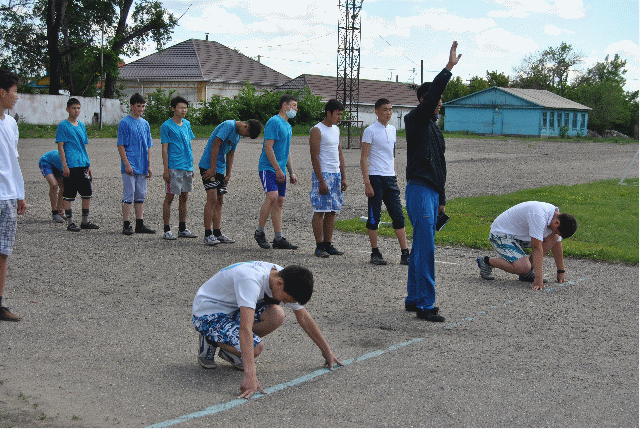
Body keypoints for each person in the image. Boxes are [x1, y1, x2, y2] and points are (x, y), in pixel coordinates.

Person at [192, 261, 342, 399]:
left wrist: (327, 351)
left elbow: (304, 318)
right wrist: (250, 376)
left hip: (232, 308)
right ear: (279, 283)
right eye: (287, 299)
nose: (285, 302)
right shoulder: (251, 280)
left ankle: (230, 348)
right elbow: (245, 328)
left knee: (276, 315)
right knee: (255, 347)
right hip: (208, 313)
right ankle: (211, 339)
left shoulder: (284, 276)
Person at [403, 41, 461, 323]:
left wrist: (442, 200)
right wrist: (448, 68)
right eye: (436, 101)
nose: (440, 104)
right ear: (425, 101)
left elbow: (441, 166)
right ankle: (426, 305)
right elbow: (433, 94)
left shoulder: (435, 131)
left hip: (432, 193)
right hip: (418, 189)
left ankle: (414, 298)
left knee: (420, 247)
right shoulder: (415, 119)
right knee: (426, 249)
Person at [476, 201, 577, 290]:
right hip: (500, 235)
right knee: (523, 267)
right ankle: (487, 261)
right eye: (558, 231)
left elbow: (557, 245)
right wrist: (538, 278)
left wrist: (561, 271)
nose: (556, 233)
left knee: (553, 238)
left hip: (518, 237)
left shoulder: (554, 216)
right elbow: (537, 248)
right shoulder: (539, 215)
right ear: (557, 222)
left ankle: (527, 273)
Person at [360, 98, 409, 266]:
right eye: (385, 110)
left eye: (390, 109)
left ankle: (405, 253)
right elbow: (363, 158)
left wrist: (395, 176)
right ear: (376, 111)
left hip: (390, 178)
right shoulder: (370, 131)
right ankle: (375, 252)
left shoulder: (393, 130)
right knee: (374, 217)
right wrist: (367, 182)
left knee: (398, 216)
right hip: (375, 177)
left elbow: (391, 155)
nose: (388, 113)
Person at [199, 119, 263, 246]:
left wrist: (228, 173)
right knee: (211, 198)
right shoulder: (229, 125)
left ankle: (217, 232)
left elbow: (230, 154)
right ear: (245, 126)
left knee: (219, 199)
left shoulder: (238, 135)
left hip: (220, 168)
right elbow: (215, 144)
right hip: (208, 165)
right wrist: (212, 168)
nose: (244, 137)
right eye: (246, 135)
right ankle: (207, 234)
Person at [254, 94, 299, 250]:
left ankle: (278, 238)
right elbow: (268, 147)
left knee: (280, 201)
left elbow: (287, 151)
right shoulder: (274, 122)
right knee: (272, 197)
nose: (296, 109)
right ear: (284, 105)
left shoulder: (288, 126)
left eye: (296, 106)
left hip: (281, 170)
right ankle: (259, 232)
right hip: (268, 167)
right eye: (294, 105)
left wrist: (291, 172)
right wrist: (278, 169)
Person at [0, 70, 27, 321]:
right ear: (2, 93)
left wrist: (20, 195)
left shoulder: (11, 124)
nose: (16, 96)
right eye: (14, 91)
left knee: (3, 251)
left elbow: (14, 161)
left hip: (8, 196)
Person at [309, 99, 347, 258]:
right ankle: (319, 245)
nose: (340, 117)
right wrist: (321, 180)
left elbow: (339, 153)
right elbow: (314, 157)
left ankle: (328, 243)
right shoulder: (317, 130)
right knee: (320, 210)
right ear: (328, 113)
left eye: (341, 114)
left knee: (332, 211)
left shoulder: (336, 130)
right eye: (338, 114)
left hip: (335, 174)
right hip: (323, 174)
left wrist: (343, 176)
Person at [56, 98, 99, 232]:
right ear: (68, 109)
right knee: (69, 193)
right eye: (74, 108)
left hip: (82, 163)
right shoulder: (63, 125)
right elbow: (61, 146)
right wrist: (64, 165)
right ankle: (70, 222)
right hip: (71, 164)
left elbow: (83, 146)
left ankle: (85, 221)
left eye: (78, 108)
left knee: (87, 192)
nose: (76, 111)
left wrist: (88, 164)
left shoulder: (81, 125)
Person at [117, 93, 155, 235]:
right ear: (132, 106)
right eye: (138, 106)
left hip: (142, 165)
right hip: (130, 165)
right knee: (129, 194)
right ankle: (126, 224)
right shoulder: (125, 123)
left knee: (140, 195)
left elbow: (148, 146)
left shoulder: (145, 124)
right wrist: (126, 164)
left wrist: (149, 165)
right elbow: (121, 145)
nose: (141, 109)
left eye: (143, 106)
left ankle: (140, 223)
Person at [161, 96, 196, 240]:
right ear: (173, 108)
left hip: (187, 166)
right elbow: (164, 149)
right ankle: (167, 229)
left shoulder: (187, 124)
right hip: (174, 166)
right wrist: (165, 169)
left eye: (185, 108)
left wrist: (192, 166)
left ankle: (182, 228)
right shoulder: (167, 126)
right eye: (181, 107)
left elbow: (189, 144)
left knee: (184, 197)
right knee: (170, 197)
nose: (184, 110)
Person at [38, 150, 65, 223]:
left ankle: (60, 211)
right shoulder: (65, 161)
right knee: (54, 185)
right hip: (46, 162)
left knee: (64, 187)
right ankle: (54, 212)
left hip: (58, 165)